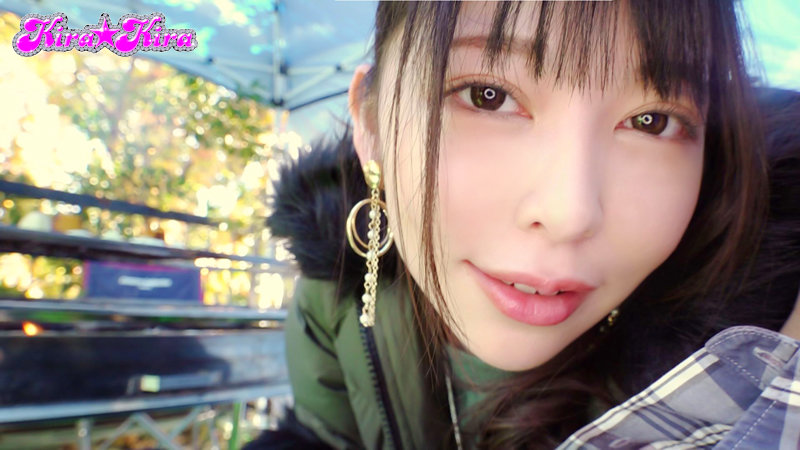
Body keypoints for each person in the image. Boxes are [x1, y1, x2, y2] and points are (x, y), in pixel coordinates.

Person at [248, 1, 800, 448]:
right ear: (370, 123)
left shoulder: (752, 355)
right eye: (488, 96)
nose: (570, 214)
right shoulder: (336, 291)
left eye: (652, 121)